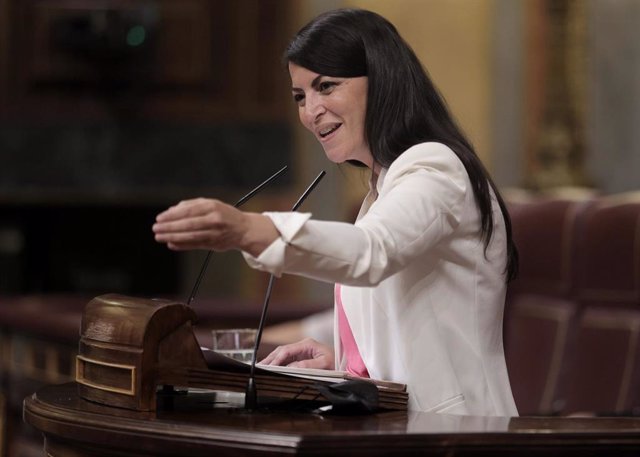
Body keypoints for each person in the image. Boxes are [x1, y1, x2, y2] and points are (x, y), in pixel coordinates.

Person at [153, 8, 519, 416]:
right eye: (300, 97)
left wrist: (248, 229)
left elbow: (371, 252)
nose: (311, 112)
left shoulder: (435, 167)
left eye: (326, 86)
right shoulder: (381, 191)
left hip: (460, 431)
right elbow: (403, 324)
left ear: (381, 81)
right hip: (403, 429)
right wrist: (345, 363)